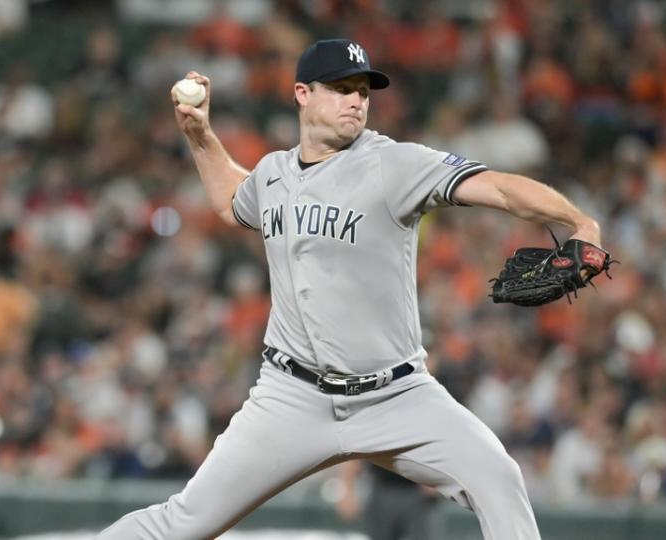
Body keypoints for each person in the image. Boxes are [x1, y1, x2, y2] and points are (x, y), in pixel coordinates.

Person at [97, 38, 603, 540]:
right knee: (184, 522)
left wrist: (576, 218)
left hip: (397, 394)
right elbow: (234, 200)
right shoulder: (273, 173)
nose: (356, 100)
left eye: (362, 89)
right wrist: (201, 136)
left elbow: (497, 187)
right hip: (291, 396)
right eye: (341, 88)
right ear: (302, 94)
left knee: (498, 479)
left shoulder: (395, 164)